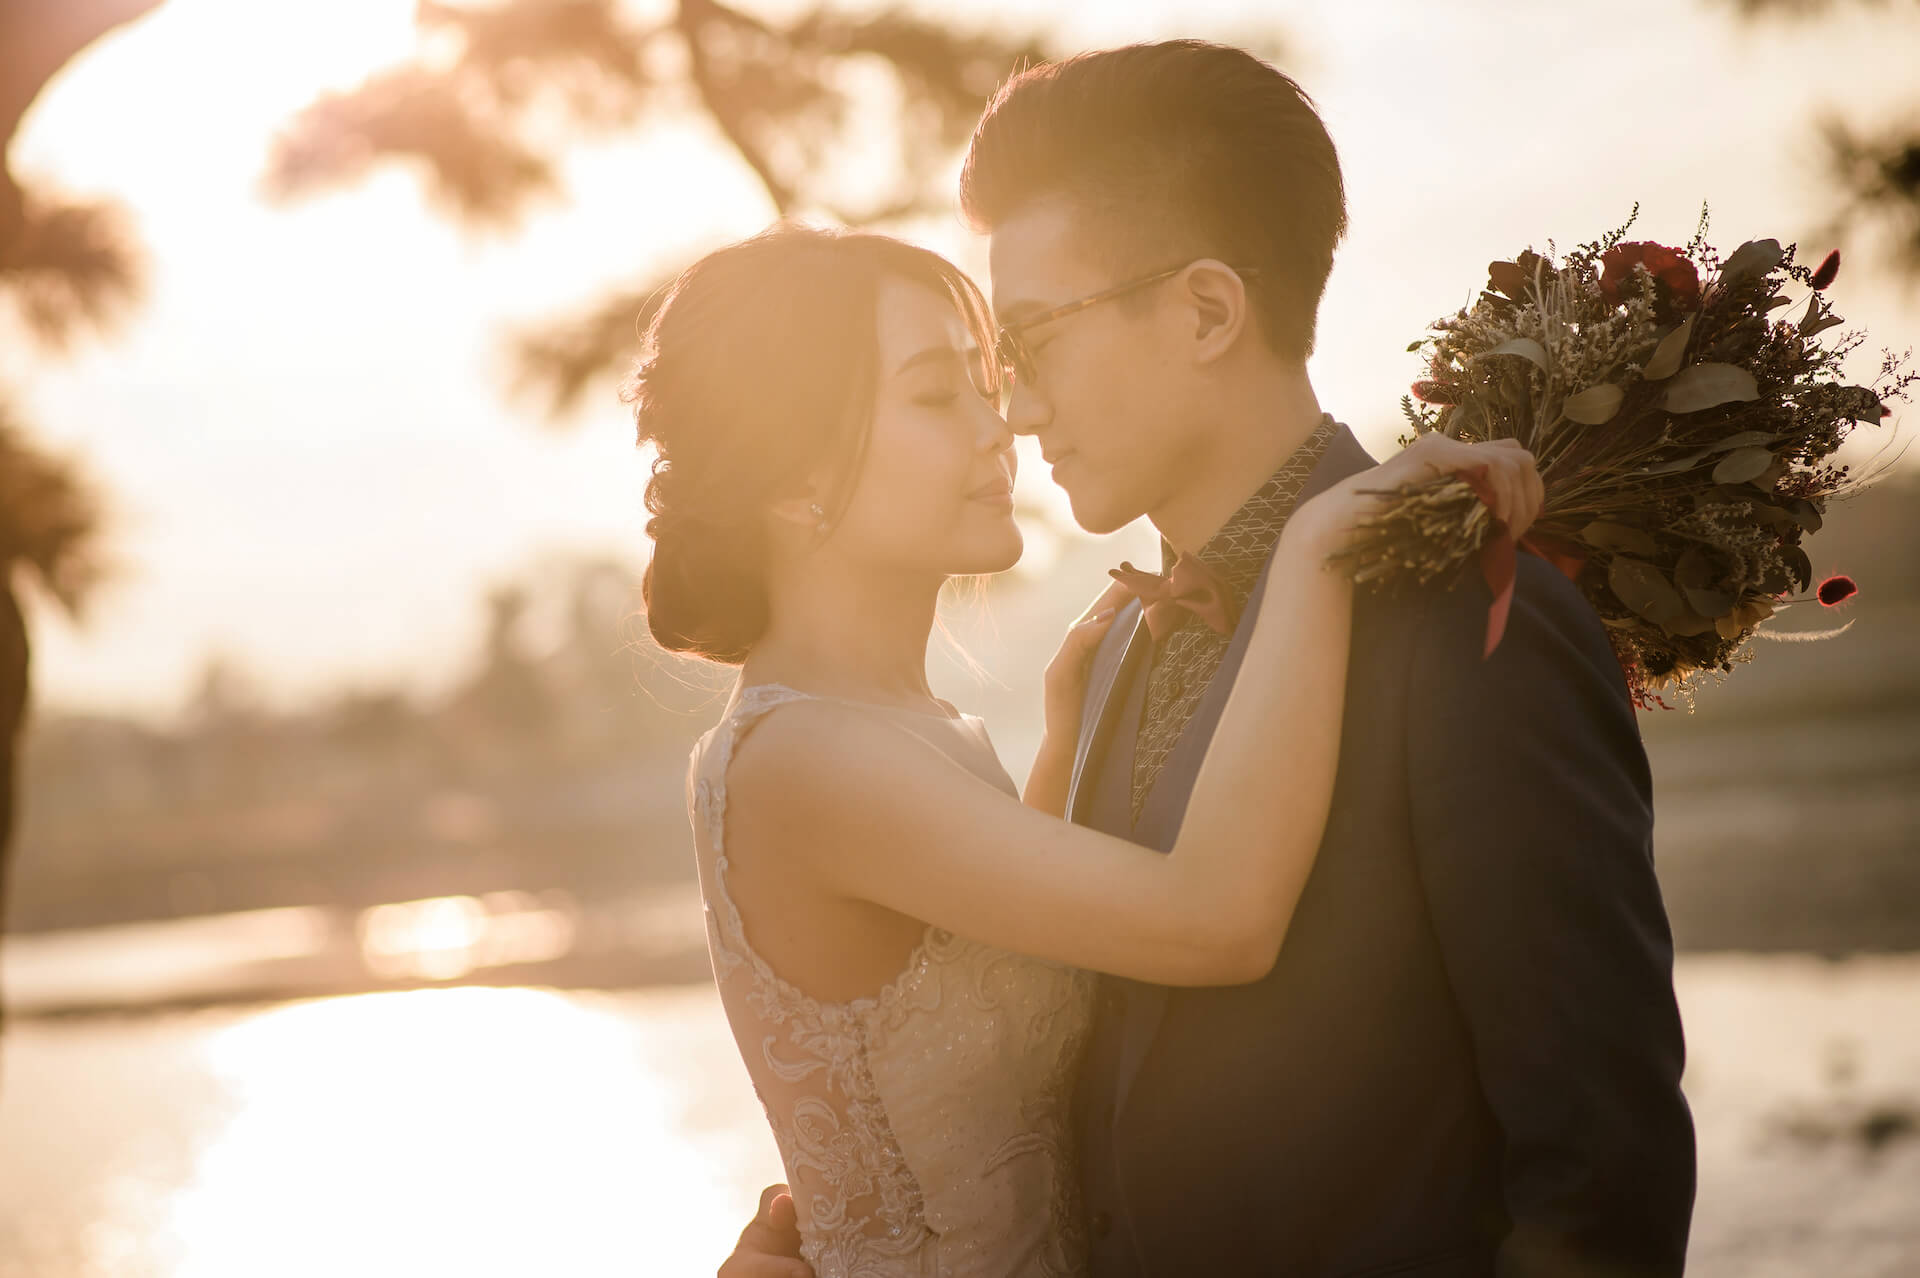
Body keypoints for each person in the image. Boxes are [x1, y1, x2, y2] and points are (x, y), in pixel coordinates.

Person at [720, 41, 1696, 1278]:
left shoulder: (1474, 611)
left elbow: (1601, 1185)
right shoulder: (1121, 640)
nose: (1013, 411)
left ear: (1205, 310)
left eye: (1031, 344)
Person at [637, 221, 1540, 1278]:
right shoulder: (801, 761)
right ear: (792, 480)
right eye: (938, 396)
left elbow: (993, 973)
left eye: (990, 384)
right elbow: (1216, 924)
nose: (1001, 427)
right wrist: (1316, 552)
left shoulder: (916, 731)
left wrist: (1065, 736)